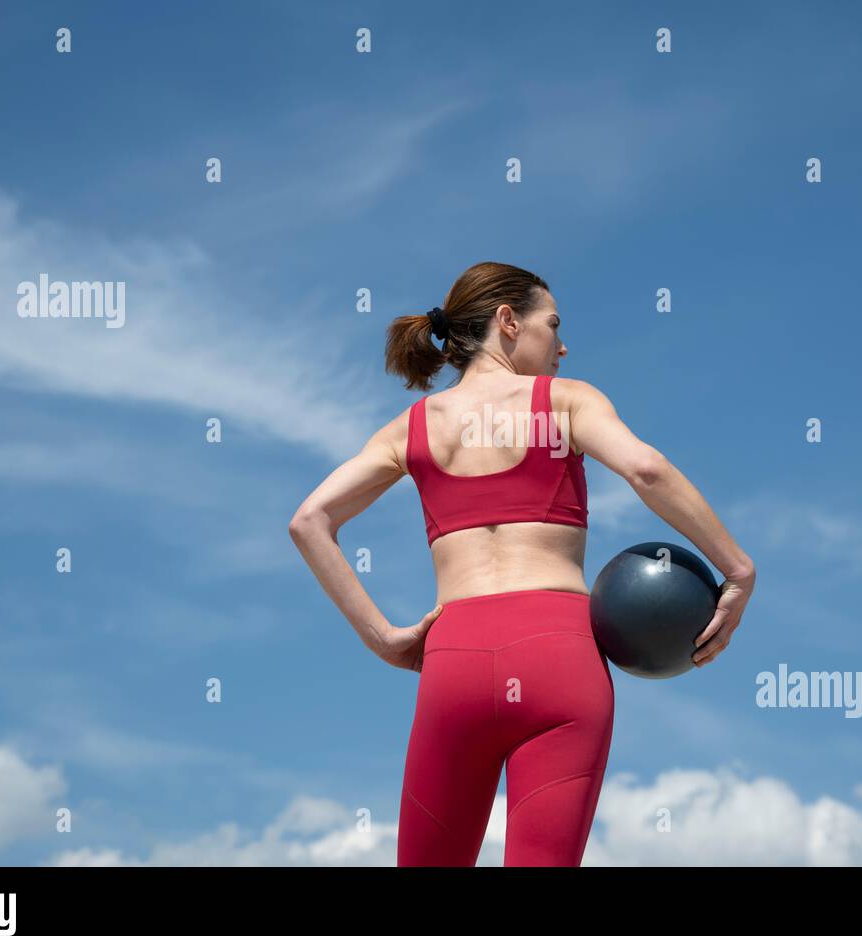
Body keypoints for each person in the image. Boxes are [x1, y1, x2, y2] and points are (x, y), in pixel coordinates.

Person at [288, 261, 756, 866]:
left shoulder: (410, 429)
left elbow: (309, 521)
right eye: (552, 324)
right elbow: (647, 469)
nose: (562, 344)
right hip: (558, 657)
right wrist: (737, 569)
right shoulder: (566, 402)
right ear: (508, 322)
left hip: (452, 662)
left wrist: (382, 638)